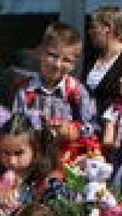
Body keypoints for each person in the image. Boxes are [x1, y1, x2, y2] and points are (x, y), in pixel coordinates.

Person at [11, 22, 98, 160]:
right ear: (39, 52)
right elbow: (15, 128)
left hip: (69, 162)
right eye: (52, 55)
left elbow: (93, 127)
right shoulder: (25, 90)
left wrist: (74, 130)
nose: (57, 65)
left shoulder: (78, 91)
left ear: (74, 63)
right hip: (34, 161)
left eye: (66, 60)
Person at [84, 6, 122, 116]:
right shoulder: (90, 58)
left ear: (108, 28)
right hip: (88, 128)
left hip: (114, 127)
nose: (89, 32)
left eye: (93, 27)